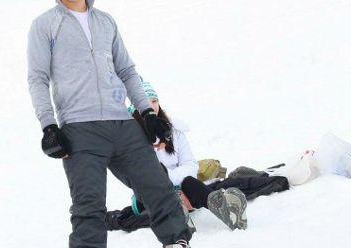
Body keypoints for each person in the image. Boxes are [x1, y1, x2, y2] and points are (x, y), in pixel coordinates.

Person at [27, 0, 227, 248]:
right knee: (89, 203)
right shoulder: (46, 25)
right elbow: (38, 79)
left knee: (161, 190)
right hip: (79, 128)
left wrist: (149, 114)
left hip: (122, 124)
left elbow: (127, 71)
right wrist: (49, 127)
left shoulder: (106, 22)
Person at [106, 81, 290, 233]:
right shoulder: (132, 138)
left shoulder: (174, 131)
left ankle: (227, 212)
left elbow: (190, 165)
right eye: (146, 102)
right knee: (169, 185)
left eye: (155, 100)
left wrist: (178, 183)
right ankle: (180, 215)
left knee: (189, 183)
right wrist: (173, 184)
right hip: (147, 195)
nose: (152, 106)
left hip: (180, 187)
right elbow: (146, 177)